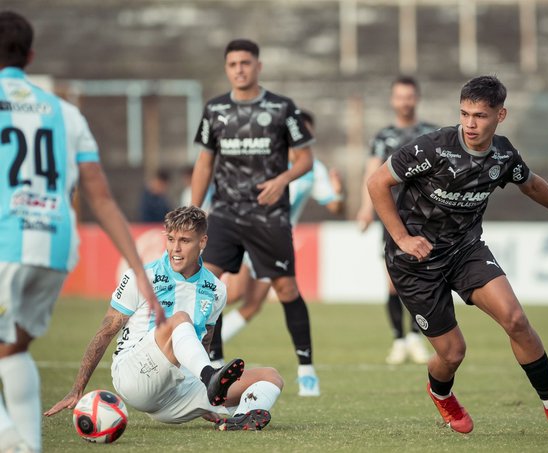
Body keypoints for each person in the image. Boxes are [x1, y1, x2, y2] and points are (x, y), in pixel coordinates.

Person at [367, 75, 548, 433]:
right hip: (416, 262)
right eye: (464, 114)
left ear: (500, 115)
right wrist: (402, 238)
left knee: (515, 319)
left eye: (480, 116)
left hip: (465, 249)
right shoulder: (432, 148)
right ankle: (441, 394)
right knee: (453, 353)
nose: (470, 124)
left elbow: (531, 184)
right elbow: (377, 182)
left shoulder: (503, 154)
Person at [0, 11, 164, 453]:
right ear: (31, 56)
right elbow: (102, 198)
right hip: (54, 247)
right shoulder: (65, 112)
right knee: (12, 351)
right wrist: (140, 270)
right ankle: (26, 446)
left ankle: (9, 440)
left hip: (5, 240)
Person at [45, 206, 283, 431]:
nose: (175, 248)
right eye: (171, 239)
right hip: (134, 378)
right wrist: (77, 389)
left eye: (184, 241)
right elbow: (106, 332)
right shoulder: (141, 277)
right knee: (180, 320)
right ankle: (211, 380)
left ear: (202, 242)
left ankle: (241, 417)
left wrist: (201, 398)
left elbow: (204, 343)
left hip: (175, 393)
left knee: (271, 377)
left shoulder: (216, 289)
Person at [191, 39, 319, 396]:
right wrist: (195, 210)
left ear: (258, 66)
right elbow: (204, 162)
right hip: (225, 213)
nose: (240, 69)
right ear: (226, 68)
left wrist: (281, 180)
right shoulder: (215, 109)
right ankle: (214, 363)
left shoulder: (282, 107)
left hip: (268, 217)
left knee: (286, 288)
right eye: (233, 64)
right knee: (208, 284)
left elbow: (305, 159)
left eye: (245, 63)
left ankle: (307, 369)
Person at [220, 110, 344, 344]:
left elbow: (335, 207)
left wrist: (338, 191)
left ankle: (204, 346)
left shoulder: (314, 169)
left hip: (276, 243)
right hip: (250, 235)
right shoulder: (267, 159)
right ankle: (184, 329)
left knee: (253, 305)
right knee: (234, 294)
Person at [357, 76, 437, 365]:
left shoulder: (431, 133)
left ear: (417, 98)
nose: (405, 102)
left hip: (425, 217)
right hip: (391, 216)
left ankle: (416, 337)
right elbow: (372, 173)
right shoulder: (383, 137)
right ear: (393, 100)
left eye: (409, 96)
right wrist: (366, 208)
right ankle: (398, 340)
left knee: (423, 280)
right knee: (393, 283)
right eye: (400, 96)